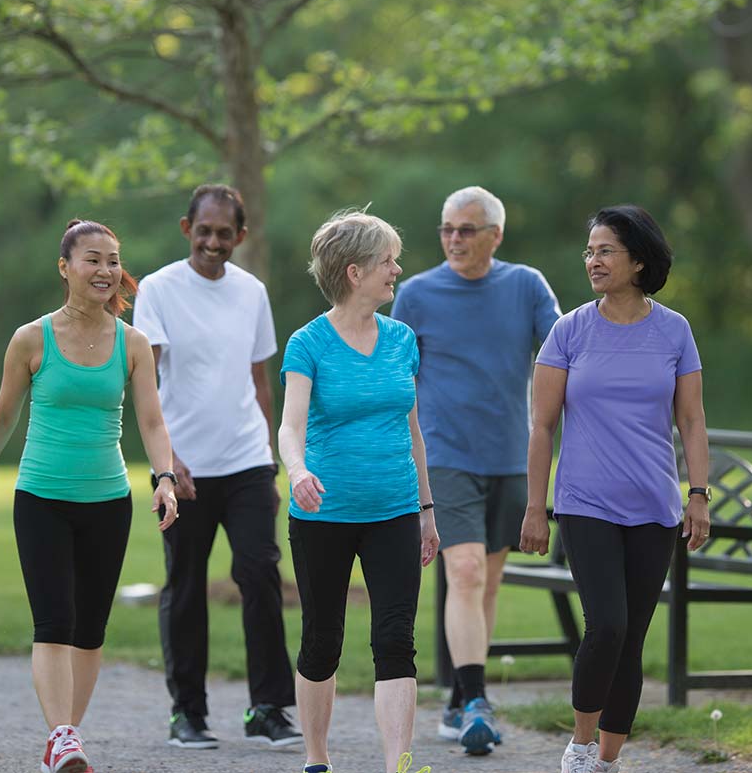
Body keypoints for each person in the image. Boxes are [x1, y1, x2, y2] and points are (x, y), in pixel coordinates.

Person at [0, 219, 179, 773]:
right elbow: (3, 418)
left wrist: (165, 477)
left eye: (112, 261)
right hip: (42, 498)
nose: (105, 270)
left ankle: (64, 738)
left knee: (90, 629)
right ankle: (62, 737)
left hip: (107, 502)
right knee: (54, 621)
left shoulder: (133, 343)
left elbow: (151, 420)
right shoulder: (32, 338)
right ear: (65, 267)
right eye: (92, 259)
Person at [520, 205, 710, 773]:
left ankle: (606, 760)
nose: (593, 260)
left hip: (654, 506)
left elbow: (693, 421)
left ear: (639, 261)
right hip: (586, 503)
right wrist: (537, 506)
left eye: (605, 250)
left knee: (632, 638)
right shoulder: (569, 330)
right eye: (590, 251)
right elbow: (542, 426)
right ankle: (579, 747)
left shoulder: (674, 330)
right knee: (608, 624)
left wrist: (697, 493)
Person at [390, 185, 560, 755]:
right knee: (462, 573)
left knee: (483, 583)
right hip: (445, 456)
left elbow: (562, 352)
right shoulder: (414, 294)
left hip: (510, 457)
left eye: (466, 229)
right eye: (446, 229)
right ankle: (478, 702)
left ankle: (460, 697)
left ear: (496, 235)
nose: (454, 239)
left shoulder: (526, 285)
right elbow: (397, 379)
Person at [132, 183, 300, 749]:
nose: (212, 241)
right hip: (183, 470)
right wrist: (167, 462)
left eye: (224, 233)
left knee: (260, 575)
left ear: (240, 237)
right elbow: (145, 384)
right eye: (203, 230)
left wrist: (274, 456)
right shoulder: (158, 289)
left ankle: (268, 708)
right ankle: (188, 712)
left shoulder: (252, 292)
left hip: (248, 460)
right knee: (184, 585)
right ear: (187, 229)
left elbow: (260, 382)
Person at [278, 211, 439, 773]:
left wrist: (426, 509)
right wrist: (298, 471)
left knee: (396, 638)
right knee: (323, 639)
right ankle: (317, 759)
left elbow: (413, 430)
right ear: (354, 271)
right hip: (323, 514)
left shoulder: (402, 340)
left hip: (394, 510)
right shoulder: (308, 343)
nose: (397, 269)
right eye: (387, 260)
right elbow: (290, 426)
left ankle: (398, 762)